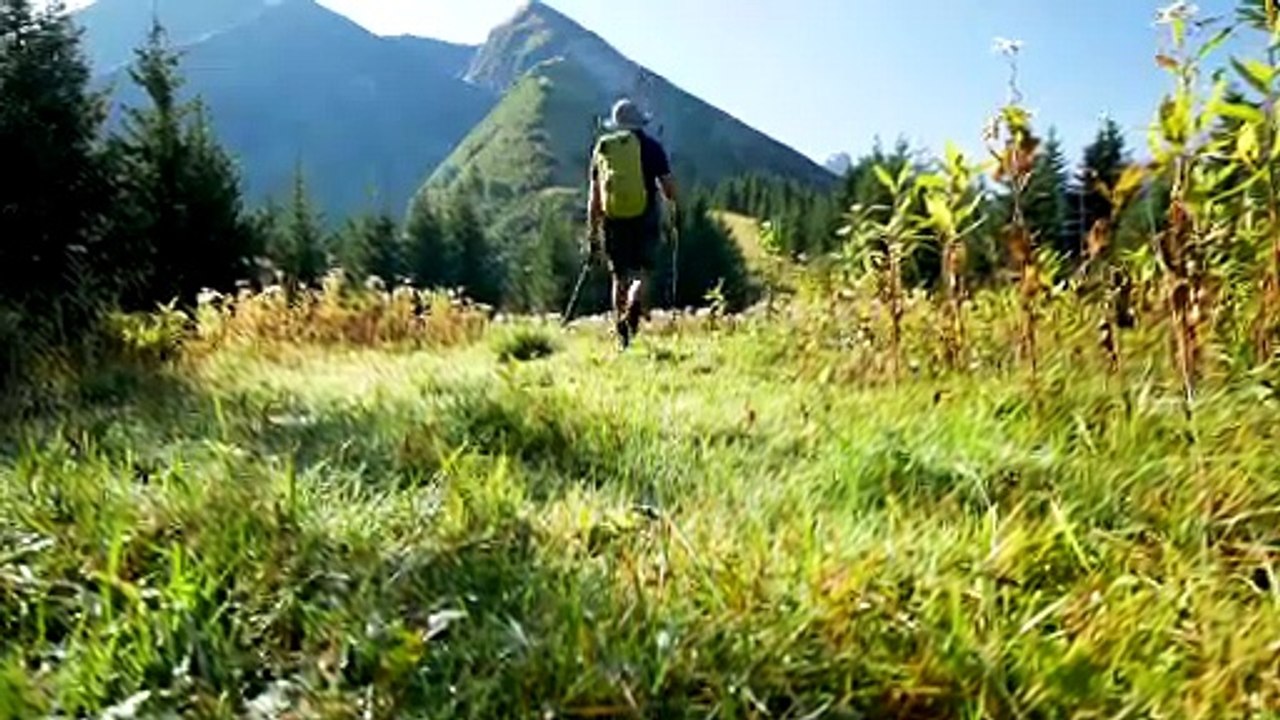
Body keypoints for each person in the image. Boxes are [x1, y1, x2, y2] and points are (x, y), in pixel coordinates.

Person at [588, 98, 678, 350]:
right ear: (640, 122)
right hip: (645, 216)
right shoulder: (651, 147)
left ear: (616, 124)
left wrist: (593, 228)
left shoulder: (603, 148)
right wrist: (673, 206)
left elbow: (594, 195)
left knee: (618, 274)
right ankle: (636, 298)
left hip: (613, 218)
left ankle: (621, 334)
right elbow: (669, 189)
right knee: (641, 272)